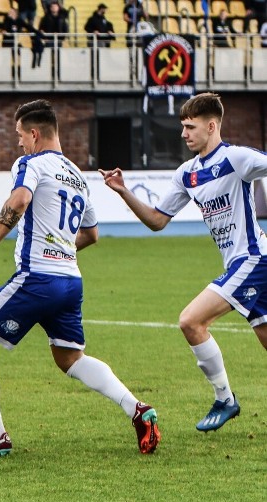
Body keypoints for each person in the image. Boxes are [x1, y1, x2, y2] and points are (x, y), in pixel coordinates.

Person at [0, 99, 160, 458]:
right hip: (70, 281)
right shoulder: (78, 176)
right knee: (70, 358)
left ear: (34, 134)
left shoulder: (30, 163)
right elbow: (92, 234)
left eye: (20, 135)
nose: (19, 143)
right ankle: (136, 409)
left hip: (37, 278)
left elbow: (19, 201)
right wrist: (62, 250)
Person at [99, 92, 267, 432]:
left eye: (190, 127)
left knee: (191, 321)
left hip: (253, 260)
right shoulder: (187, 174)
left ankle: (225, 399)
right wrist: (123, 191)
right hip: (242, 265)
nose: (183, 133)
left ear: (211, 125)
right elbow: (158, 220)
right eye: (182, 127)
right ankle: (225, 399)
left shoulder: (236, 158)